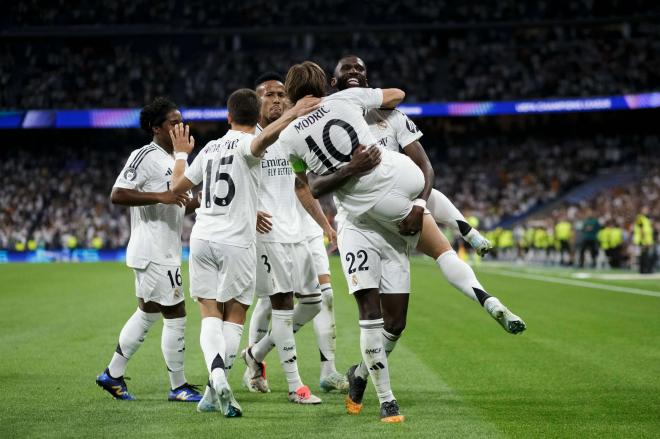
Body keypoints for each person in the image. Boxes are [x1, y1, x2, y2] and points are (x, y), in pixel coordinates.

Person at [278, 61, 526, 423]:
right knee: (372, 315)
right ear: (327, 84)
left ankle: (360, 375)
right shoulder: (350, 101)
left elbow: (309, 185)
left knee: (396, 323)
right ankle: (387, 399)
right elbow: (395, 97)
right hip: (363, 219)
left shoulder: (295, 134)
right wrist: (353, 164)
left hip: (385, 203)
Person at [169, 88, 319, 416]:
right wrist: (292, 114)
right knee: (234, 314)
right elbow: (259, 144)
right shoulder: (249, 146)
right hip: (236, 241)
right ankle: (220, 374)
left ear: (228, 116)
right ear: (256, 118)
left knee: (209, 311)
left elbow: (176, 189)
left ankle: (214, 384)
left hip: (201, 237)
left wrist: (180, 154)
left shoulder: (208, 148)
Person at [242, 73, 348, 396]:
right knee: (277, 304)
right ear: (255, 102)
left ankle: (255, 354)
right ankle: (292, 385)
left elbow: (301, 185)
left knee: (315, 301)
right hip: (267, 235)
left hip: (297, 232)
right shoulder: (250, 139)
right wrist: (248, 214)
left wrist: (325, 225)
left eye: (280, 95)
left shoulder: (293, 138)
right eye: (268, 95)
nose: (276, 100)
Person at [330, 55, 492, 257]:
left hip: (393, 183)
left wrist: (365, 97)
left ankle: (469, 232)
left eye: (358, 68)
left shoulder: (388, 115)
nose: (353, 71)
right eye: (346, 68)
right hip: (359, 200)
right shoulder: (329, 120)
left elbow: (398, 94)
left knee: (441, 248)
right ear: (334, 81)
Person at [95, 97, 201, 403]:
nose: (179, 127)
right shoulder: (144, 155)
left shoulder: (178, 159)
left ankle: (112, 374)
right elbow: (117, 194)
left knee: (149, 312)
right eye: (172, 122)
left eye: (181, 121)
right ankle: (178, 386)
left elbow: (184, 201)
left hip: (165, 248)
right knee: (175, 312)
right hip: (153, 249)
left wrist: (210, 197)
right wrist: (161, 196)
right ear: (156, 128)